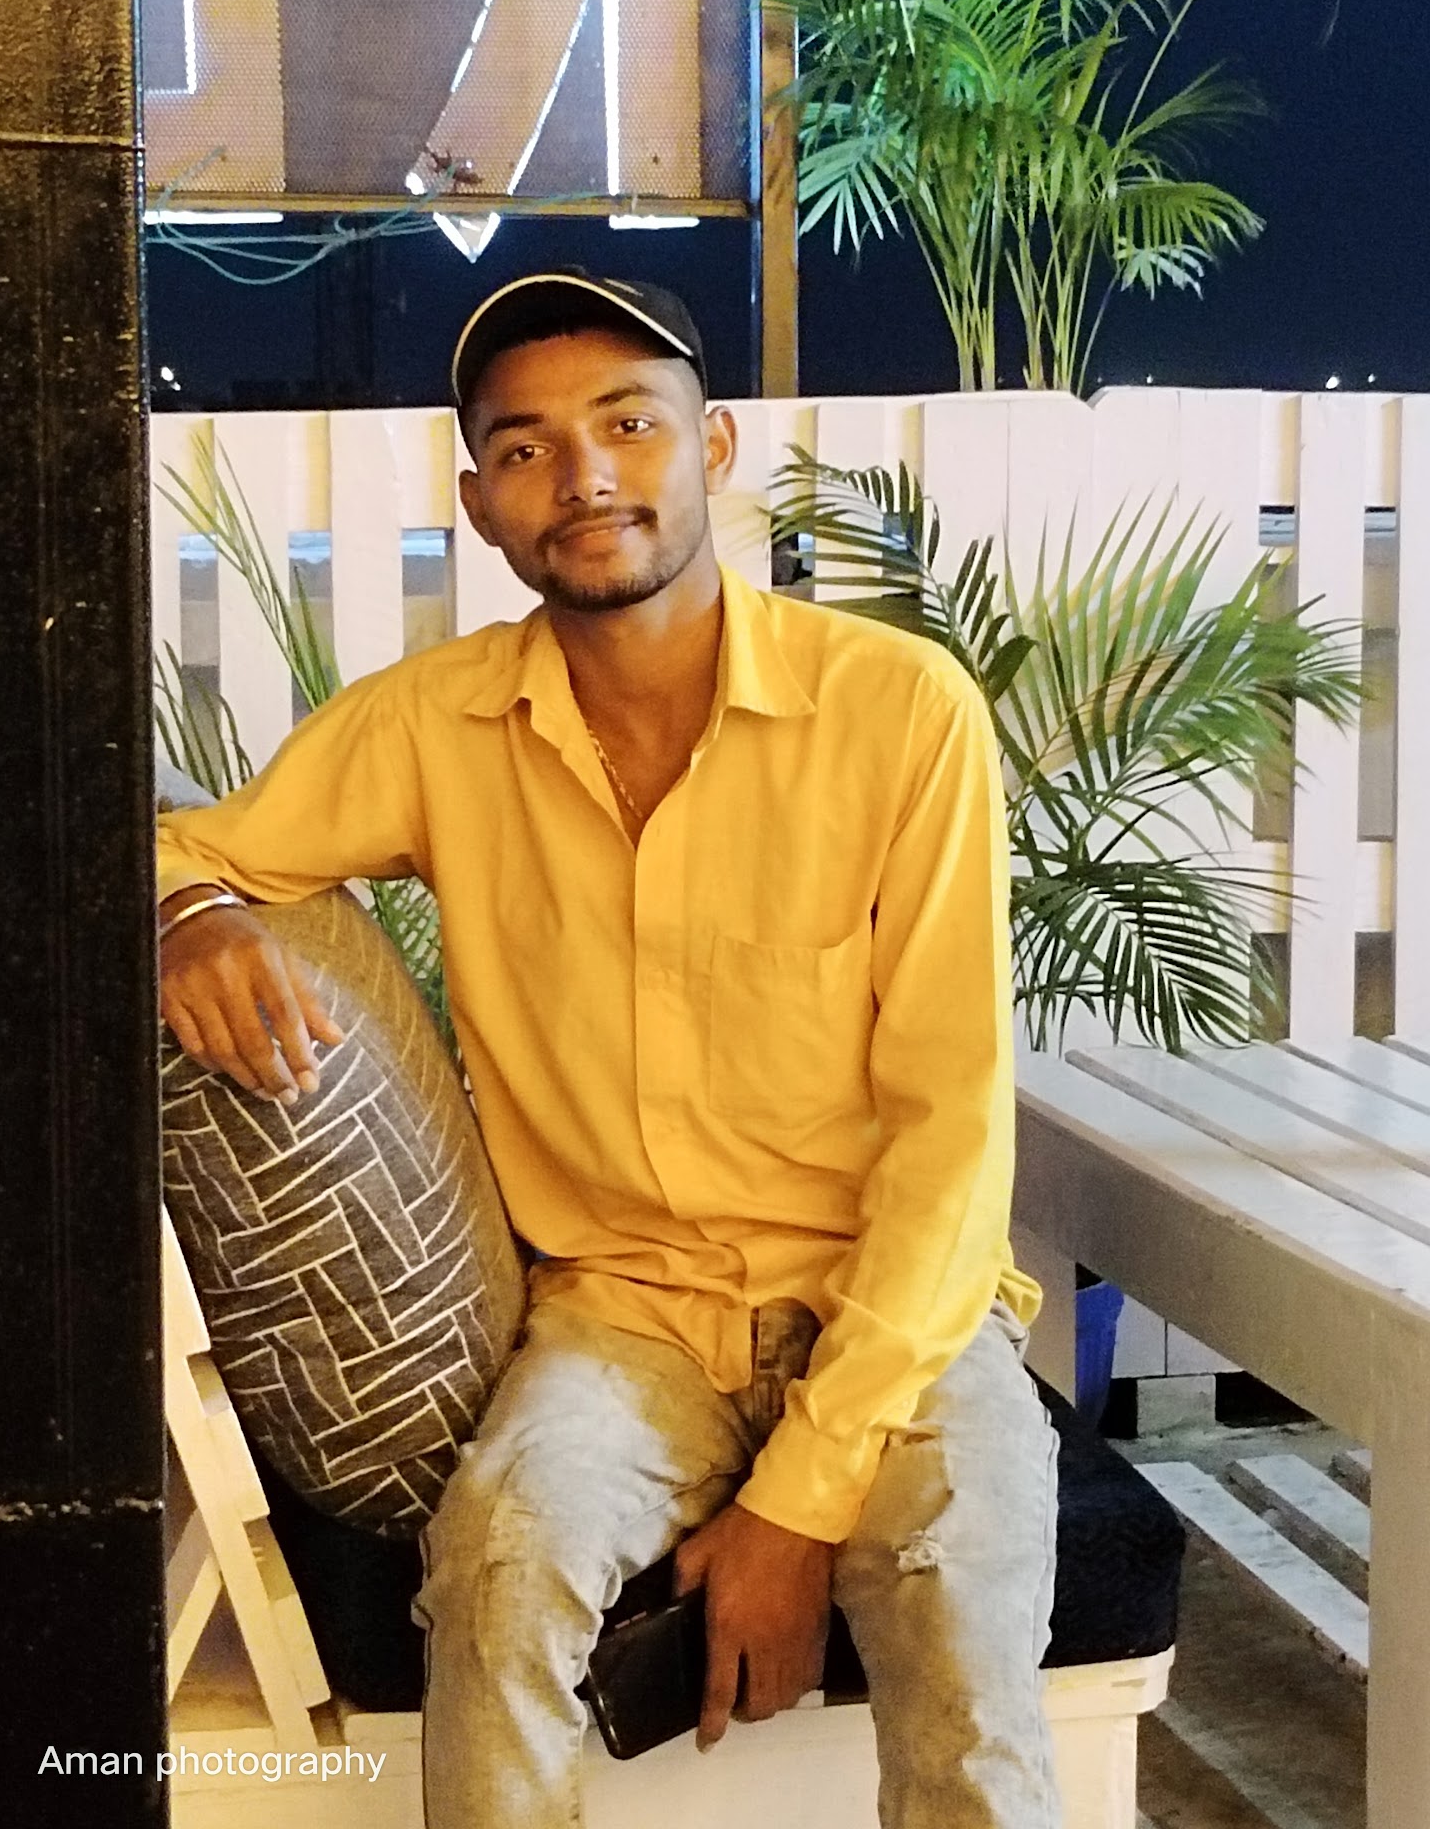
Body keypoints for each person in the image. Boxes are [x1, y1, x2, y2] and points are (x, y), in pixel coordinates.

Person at [156, 271, 1061, 1829]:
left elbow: (953, 1138)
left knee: (963, 1628)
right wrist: (191, 918)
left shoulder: (898, 714)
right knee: (497, 1566)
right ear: (479, 504)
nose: (582, 476)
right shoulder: (433, 726)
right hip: (619, 1318)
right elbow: (182, 843)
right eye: (524, 448)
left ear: (711, 448)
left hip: (895, 1314)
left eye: (628, 424)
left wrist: (798, 1509)